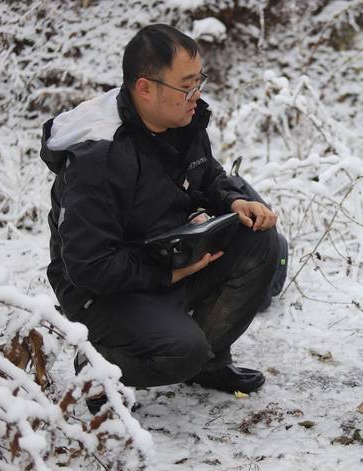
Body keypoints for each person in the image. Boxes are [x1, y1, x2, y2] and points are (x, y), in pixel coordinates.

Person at [40, 24, 282, 413]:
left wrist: (234, 201)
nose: (196, 94)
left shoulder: (182, 122)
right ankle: (99, 364)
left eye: (199, 81)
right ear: (145, 87)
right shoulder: (99, 156)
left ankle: (209, 361)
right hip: (100, 291)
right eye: (186, 86)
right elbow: (88, 266)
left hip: (167, 252)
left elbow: (208, 175)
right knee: (180, 351)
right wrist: (169, 276)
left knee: (260, 240)